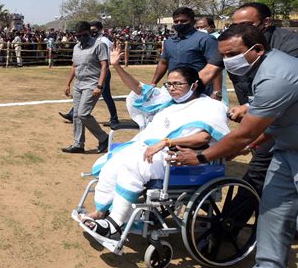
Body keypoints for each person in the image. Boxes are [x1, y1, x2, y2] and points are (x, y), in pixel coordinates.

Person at [174, 24, 298, 268]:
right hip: (286, 149)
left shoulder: (276, 76)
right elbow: (273, 124)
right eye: (224, 55)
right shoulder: (260, 70)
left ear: (257, 50)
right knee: (272, 214)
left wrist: (201, 157)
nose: (227, 61)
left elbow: (244, 132)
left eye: (233, 54)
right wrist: (247, 148)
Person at [81, 48, 229, 239]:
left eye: (177, 84)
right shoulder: (169, 101)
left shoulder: (211, 106)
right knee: (114, 162)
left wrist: (166, 142)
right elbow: (139, 88)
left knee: (133, 165)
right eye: (169, 84)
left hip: (180, 157)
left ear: (194, 85)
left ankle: (115, 224)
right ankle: (101, 212)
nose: (172, 88)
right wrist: (116, 66)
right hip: (153, 150)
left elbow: (203, 138)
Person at [197, 3, 298, 237]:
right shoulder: (230, 43)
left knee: (258, 171)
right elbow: (207, 73)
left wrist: (201, 157)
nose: (238, 28)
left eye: (246, 24)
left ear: (266, 23)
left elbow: (282, 88)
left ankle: (228, 227)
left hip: (279, 117)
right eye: (234, 24)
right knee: (264, 171)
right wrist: (179, 92)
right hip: (266, 121)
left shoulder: (289, 45)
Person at [151, 7, 222, 98]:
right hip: (174, 90)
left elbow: (215, 66)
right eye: (176, 21)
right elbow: (163, 63)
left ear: (192, 22)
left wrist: (217, 92)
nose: (179, 24)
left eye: (183, 21)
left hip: (199, 91)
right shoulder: (169, 42)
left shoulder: (206, 39)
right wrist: (153, 83)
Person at [61, 21, 109, 154]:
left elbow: (104, 66)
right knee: (76, 115)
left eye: (84, 35)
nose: (81, 38)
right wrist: (68, 83)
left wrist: (99, 85)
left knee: (83, 113)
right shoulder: (76, 47)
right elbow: (74, 66)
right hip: (78, 84)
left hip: (92, 83)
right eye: (78, 35)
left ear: (90, 32)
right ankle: (78, 144)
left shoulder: (99, 45)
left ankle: (104, 138)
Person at [59, 21, 119, 125]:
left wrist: (99, 85)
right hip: (90, 72)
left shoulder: (103, 41)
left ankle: (114, 119)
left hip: (101, 72)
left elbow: (104, 63)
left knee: (106, 96)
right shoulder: (86, 42)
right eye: (91, 30)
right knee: (83, 95)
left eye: (94, 30)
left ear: (100, 30)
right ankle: (73, 114)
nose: (92, 32)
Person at [195, 16, 229, 106]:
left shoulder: (217, 38)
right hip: (205, 69)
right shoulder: (200, 39)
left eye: (203, 27)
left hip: (216, 68)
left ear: (212, 27)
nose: (200, 29)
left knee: (219, 88)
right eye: (197, 27)